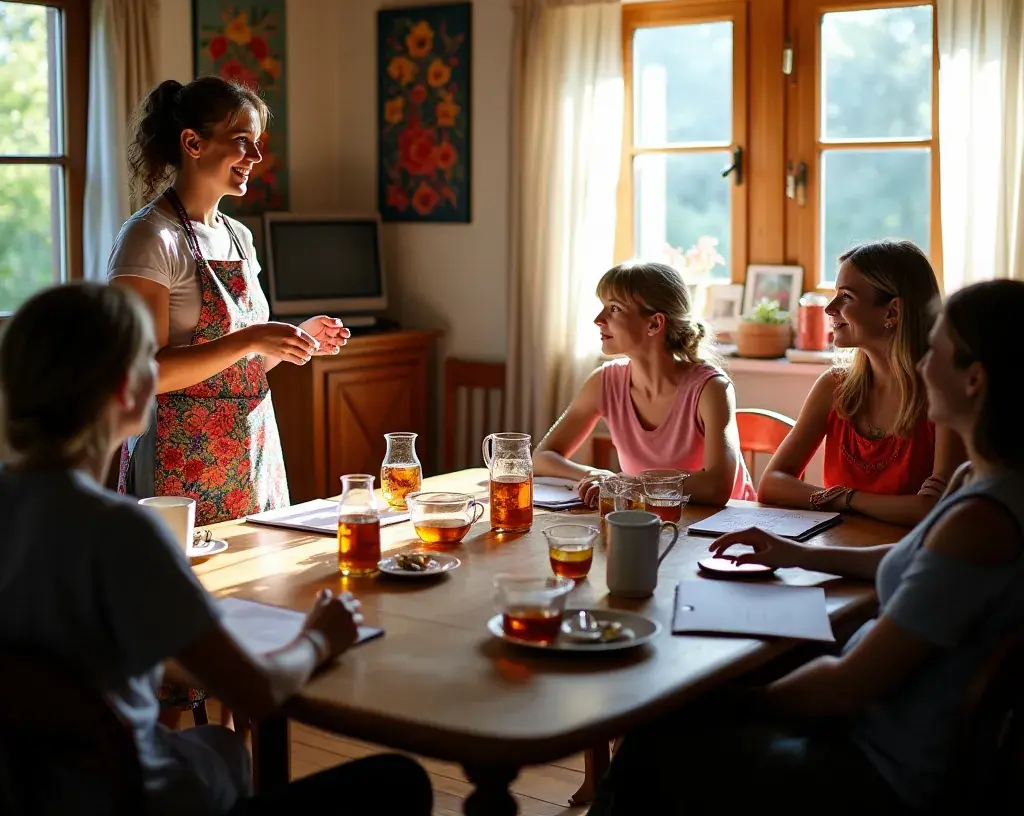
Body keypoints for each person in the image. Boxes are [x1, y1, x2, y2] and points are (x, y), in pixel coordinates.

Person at [589, 278, 1024, 815]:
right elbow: (909, 562)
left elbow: (846, 685)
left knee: (653, 741)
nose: (922, 364)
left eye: (934, 350)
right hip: (868, 732)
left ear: (974, 380)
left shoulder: (980, 523)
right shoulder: (979, 484)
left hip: (879, 771)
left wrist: (732, 705)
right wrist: (799, 553)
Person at [0, 282, 432, 816]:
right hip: (134, 801)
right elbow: (255, 691)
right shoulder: (119, 533)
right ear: (125, 389)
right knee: (399, 780)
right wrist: (320, 639)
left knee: (220, 746)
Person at [108, 77, 349, 526]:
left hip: (253, 455)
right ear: (192, 143)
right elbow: (141, 376)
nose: (256, 158)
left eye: (257, 143)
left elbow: (234, 370)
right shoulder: (149, 238)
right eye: (242, 142)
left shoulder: (239, 237)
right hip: (177, 466)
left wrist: (296, 341)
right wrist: (251, 338)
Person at [758, 240, 964, 526]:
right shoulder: (834, 387)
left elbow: (934, 511)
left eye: (846, 297)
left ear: (892, 312)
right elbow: (771, 484)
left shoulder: (943, 395)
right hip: (835, 552)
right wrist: (850, 499)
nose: (830, 309)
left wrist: (844, 499)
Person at [533, 260, 753, 507]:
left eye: (614, 309)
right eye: (603, 307)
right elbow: (542, 458)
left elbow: (716, 487)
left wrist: (630, 485)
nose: (598, 319)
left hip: (720, 534)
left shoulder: (711, 389)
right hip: (651, 523)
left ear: (655, 324)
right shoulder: (604, 383)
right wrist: (593, 475)